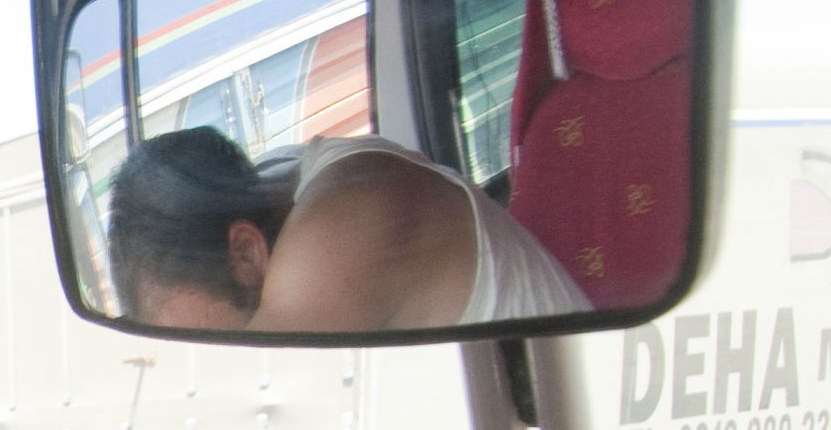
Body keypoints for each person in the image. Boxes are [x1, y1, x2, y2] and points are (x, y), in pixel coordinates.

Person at [107, 125, 589, 332]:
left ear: (247, 253)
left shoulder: (338, 229)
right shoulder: (273, 186)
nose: (200, 367)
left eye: (205, 343)